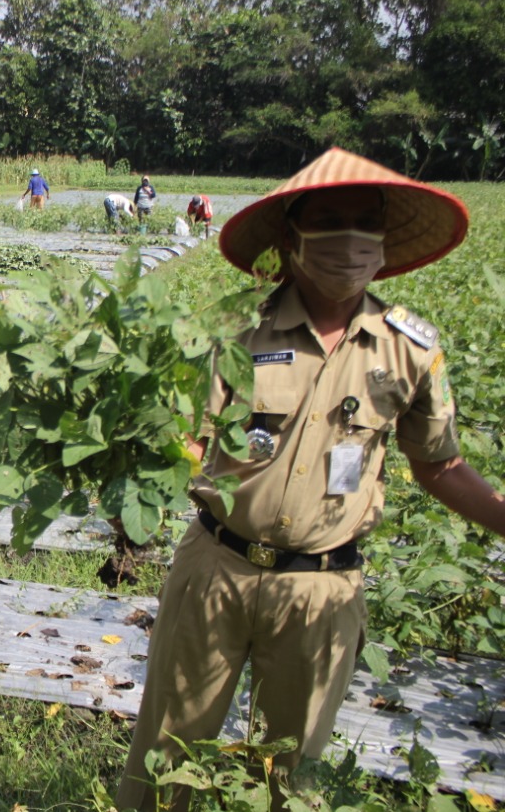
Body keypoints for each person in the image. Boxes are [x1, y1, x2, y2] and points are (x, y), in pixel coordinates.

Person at [116, 148, 505, 812]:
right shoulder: (235, 330)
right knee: (164, 758)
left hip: (322, 589)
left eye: (363, 222)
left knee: (286, 774)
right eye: (328, 221)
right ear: (293, 238)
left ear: (383, 241)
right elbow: (187, 437)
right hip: (217, 567)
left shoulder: (408, 348)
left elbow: (438, 463)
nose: (347, 240)